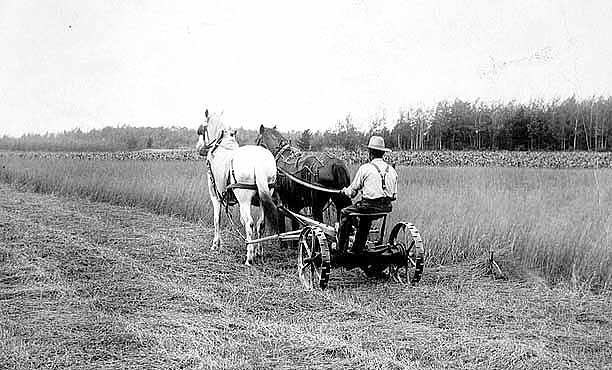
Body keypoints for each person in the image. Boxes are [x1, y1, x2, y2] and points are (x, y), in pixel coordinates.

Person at [336, 135, 398, 253]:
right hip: (386, 208)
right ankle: (357, 248)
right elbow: (394, 196)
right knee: (366, 220)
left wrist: (345, 191)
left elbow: (352, 193)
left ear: (370, 153)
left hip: (368, 207)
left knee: (345, 212)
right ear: (383, 153)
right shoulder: (392, 170)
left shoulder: (365, 168)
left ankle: (341, 249)